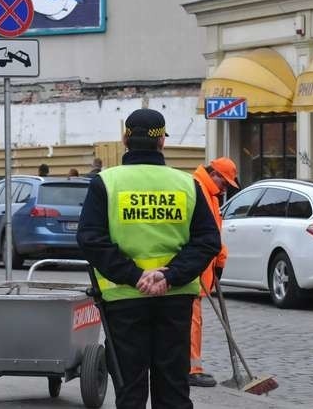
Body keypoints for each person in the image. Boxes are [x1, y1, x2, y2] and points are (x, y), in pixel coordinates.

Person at [77, 108, 221, 409]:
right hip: (175, 299)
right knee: (173, 389)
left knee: (130, 389)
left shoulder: (106, 182)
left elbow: (91, 240)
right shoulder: (187, 184)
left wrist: (134, 275)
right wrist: (170, 275)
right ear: (162, 143)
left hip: (124, 299)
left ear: (125, 139)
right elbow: (208, 242)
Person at [189, 157, 239, 387]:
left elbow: (214, 235)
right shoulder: (196, 189)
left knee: (194, 322)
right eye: (225, 182)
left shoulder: (209, 194)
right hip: (194, 271)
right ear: (214, 173)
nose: (225, 187)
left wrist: (220, 261)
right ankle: (191, 370)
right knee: (191, 322)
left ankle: (192, 367)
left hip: (202, 269)